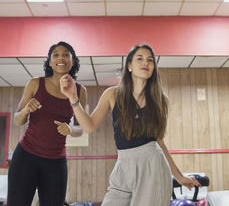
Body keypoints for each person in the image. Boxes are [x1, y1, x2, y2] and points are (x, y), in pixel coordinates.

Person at [60, 44, 200, 206]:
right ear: (129, 66)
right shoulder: (112, 94)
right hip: (124, 165)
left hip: (152, 166)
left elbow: (160, 141)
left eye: (150, 60)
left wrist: (179, 176)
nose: (145, 63)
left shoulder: (162, 100)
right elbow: (89, 126)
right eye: (139, 58)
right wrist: (73, 98)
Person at [7, 41, 87, 206]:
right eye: (56, 54)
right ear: (50, 61)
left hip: (56, 161)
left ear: (72, 61)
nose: (61, 57)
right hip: (26, 157)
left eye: (66, 54)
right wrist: (26, 110)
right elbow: (17, 119)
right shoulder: (35, 83)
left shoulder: (80, 91)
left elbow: (82, 128)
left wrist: (71, 128)